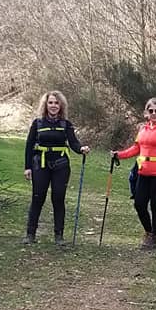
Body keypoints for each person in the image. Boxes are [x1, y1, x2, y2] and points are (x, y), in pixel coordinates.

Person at [22, 90, 89, 245]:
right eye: (50, 102)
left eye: (56, 103)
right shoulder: (37, 123)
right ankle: (30, 234)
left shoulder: (66, 124)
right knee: (37, 197)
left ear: (61, 105)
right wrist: (27, 167)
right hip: (40, 164)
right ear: (46, 105)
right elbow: (29, 145)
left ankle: (59, 236)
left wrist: (81, 149)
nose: (53, 106)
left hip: (61, 165)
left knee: (58, 198)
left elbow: (73, 142)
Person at [112, 97, 156, 249]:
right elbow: (136, 148)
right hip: (143, 173)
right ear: (146, 113)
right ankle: (148, 231)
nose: (154, 113)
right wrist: (119, 155)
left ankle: (154, 237)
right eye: (151, 111)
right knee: (139, 203)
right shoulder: (143, 129)